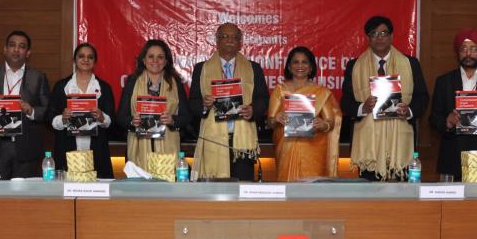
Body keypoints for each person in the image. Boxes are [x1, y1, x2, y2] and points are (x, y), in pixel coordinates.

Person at [340, 15, 428, 181]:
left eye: (383, 33)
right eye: (374, 33)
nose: (379, 37)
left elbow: (422, 97)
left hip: (400, 141)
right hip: (368, 145)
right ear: (368, 38)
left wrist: (408, 111)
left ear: (391, 36)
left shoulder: (410, 64)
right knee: (368, 193)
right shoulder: (354, 66)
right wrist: (363, 107)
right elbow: (345, 102)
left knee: (401, 193)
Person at [188, 23, 269, 181]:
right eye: (225, 36)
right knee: (214, 189)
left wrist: (253, 110)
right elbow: (192, 103)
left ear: (240, 42)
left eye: (234, 37)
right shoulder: (201, 69)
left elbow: (263, 99)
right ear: (217, 41)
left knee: (242, 188)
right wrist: (204, 105)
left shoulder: (253, 68)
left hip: (242, 144)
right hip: (213, 141)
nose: (230, 40)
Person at [0, 31, 50, 179]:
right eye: (12, 45)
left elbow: (47, 110)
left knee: (24, 194)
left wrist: (31, 111)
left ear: (28, 53)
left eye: (22, 46)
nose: (16, 49)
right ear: (5, 49)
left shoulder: (38, 77)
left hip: (26, 149)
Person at [430, 28, 477, 182]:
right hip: (452, 157)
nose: (468, 54)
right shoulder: (443, 81)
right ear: (457, 53)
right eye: (463, 49)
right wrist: (447, 122)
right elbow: (433, 118)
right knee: (451, 199)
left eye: (474, 49)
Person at [116, 39, 191, 174]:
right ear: (144, 60)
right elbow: (121, 117)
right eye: (151, 56)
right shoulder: (132, 81)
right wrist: (132, 121)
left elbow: (186, 117)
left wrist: (172, 120)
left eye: (160, 57)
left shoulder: (175, 83)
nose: (155, 61)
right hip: (138, 146)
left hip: (168, 147)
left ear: (166, 61)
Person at [267, 46, 341, 180]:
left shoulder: (321, 91)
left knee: (312, 190)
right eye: (295, 62)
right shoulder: (280, 90)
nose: (300, 66)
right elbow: (270, 122)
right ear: (289, 67)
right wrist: (276, 119)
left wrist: (323, 124)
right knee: (287, 187)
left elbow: (330, 122)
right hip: (286, 147)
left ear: (311, 67)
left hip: (313, 150)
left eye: (304, 62)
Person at [46, 42, 114, 179]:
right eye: (81, 56)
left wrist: (102, 117)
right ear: (75, 60)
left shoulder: (104, 87)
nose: (85, 60)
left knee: (97, 189)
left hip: (97, 150)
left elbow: (112, 121)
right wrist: (63, 118)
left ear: (95, 61)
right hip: (66, 148)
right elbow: (49, 117)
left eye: (90, 57)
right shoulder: (61, 86)